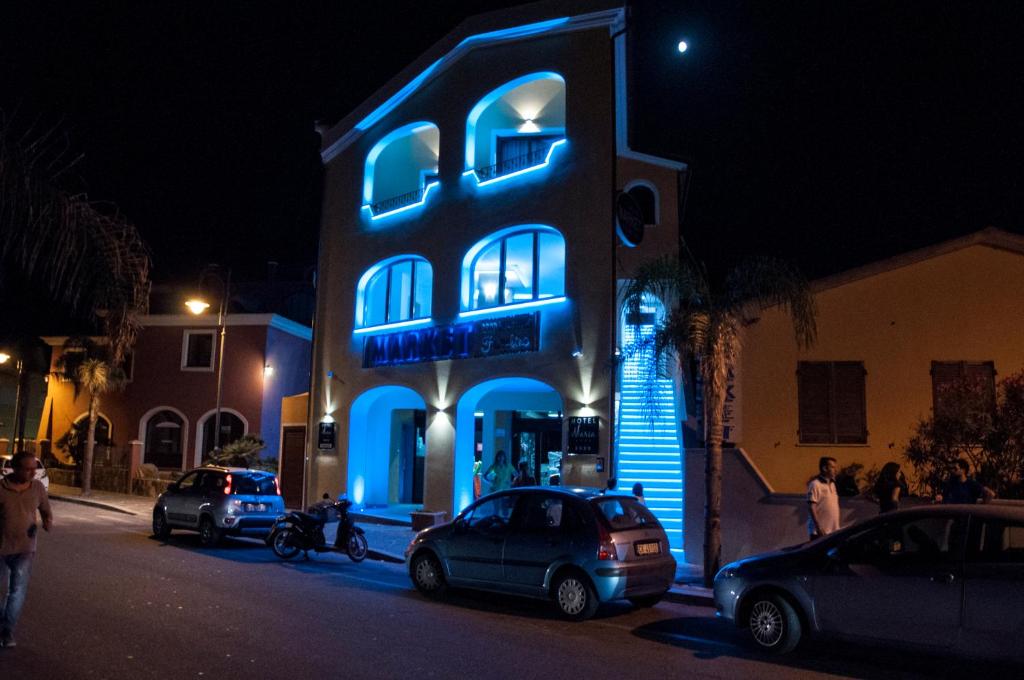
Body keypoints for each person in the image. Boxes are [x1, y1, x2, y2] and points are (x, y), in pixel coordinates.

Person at [0, 451, 54, 648]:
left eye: (35, 468)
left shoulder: (38, 487)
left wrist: (47, 522)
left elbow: (46, 510)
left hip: (25, 548)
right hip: (1, 548)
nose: (33, 472)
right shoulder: (1, 488)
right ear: (15, 468)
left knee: (17, 590)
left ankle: (7, 630)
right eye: (28, 469)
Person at [807, 456, 840, 540]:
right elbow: (811, 507)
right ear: (825, 468)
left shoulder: (833, 484)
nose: (835, 470)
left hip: (833, 531)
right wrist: (819, 528)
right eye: (832, 467)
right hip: (819, 532)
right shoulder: (815, 484)